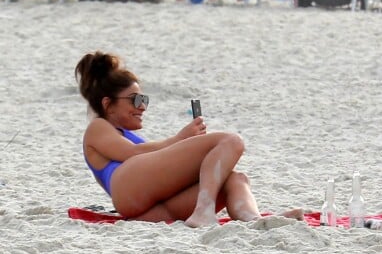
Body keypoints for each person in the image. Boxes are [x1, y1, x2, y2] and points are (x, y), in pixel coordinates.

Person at [76, 51, 303, 226]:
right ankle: (204, 209)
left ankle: (255, 220)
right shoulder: (98, 127)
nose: (142, 106)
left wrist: (186, 145)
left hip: (148, 209)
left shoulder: (130, 136)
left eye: (143, 99)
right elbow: (132, 154)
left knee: (234, 179)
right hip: (127, 190)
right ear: (108, 104)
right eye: (135, 99)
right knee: (231, 141)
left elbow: (150, 158)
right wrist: (180, 140)